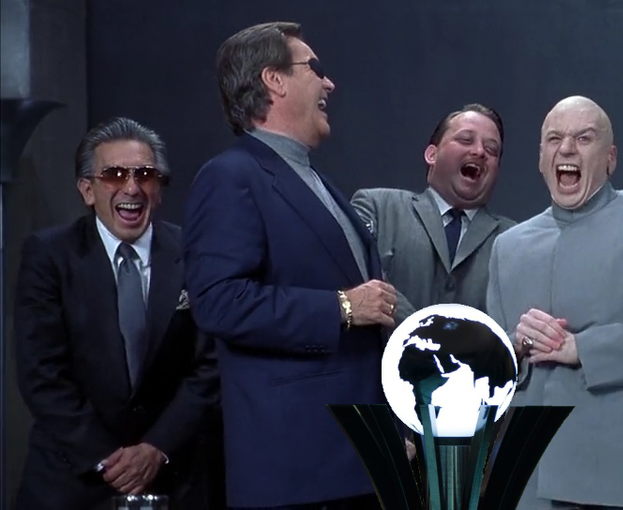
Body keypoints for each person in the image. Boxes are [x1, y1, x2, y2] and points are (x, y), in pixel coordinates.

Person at [183, 21, 398, 509]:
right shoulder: (230, 176)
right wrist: (342, 307)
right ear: (273, 80)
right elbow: (218, 302)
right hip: (296, 470)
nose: (329, 83)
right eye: (314, 68)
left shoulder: (313, 179)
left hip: (354, 460)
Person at [486, 95, 623, 509]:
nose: (566, 149)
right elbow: (493, 370)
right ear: (541, 159)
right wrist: (515, 345)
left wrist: (583, 349)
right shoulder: (509, 246)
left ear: (610, 158)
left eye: (583, 138)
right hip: (527, 482)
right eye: (554, 139)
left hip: (619, 479)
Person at [13, 117, 219, 510]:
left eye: (145, 174)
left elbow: (210, 366)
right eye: (114, 174)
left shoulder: (195, 254)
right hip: (70, 481)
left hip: (174, 478)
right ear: (87, 190)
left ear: (159, 188)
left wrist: (156, 448)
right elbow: (41, 372)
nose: (132, 187)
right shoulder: (49, 256)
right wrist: (109, 459)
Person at [352, 103, 515, 321]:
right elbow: (355, 275)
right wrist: (423, 329)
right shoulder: (377, 208)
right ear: (432, 154)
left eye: (492, 150)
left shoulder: (514, 239)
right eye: (466, 140)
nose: (479, 151)